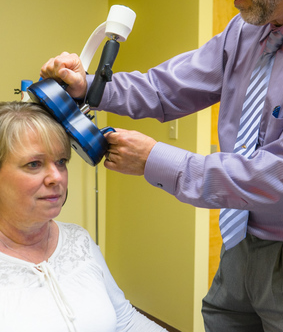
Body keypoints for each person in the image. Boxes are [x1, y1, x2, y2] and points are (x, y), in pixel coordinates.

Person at [41, 0, 283, 330]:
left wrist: (154, 160)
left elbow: (277, 179)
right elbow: (166, 87)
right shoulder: (244, 33)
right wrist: (89, 86)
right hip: (240, 239)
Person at [0, 101, 167, 332]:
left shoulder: (78, 240)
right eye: (34, 164)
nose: (56, 177)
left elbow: (126, 321)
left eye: (61, 162)